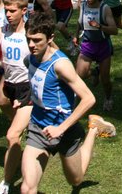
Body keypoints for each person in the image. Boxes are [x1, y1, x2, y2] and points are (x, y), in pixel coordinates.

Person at [20, 13, 116, 194]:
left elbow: (89, 98)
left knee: (76, 179)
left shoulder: (61, 65)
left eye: (37, 40)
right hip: (38, 128)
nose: (31, 45)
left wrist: (60, 129)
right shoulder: (31, 57)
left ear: (50, 38)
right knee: (27, 188)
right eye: (28, 39)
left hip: (65, 130)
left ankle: (94, 129)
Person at [0, 0, 32, 194]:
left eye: (12, 11)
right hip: (9, 84)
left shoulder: (31, 33)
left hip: (27, 89)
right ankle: (25, 125)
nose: (8, 15)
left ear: (24, 10)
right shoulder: (0, 32)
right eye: (6, 11)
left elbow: (53, 55)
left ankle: (5, 184)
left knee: (12, 135)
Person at [74, 0, 118, 112]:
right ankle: (94, 72)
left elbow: (114, 30)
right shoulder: (83, 6)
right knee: (79, 74)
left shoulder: (105, 8)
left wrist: (99, 26)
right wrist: (76, 36)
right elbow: (79, 22)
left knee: (105, 80)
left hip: (103, 45)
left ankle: (108, 98)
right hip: (87, 44)